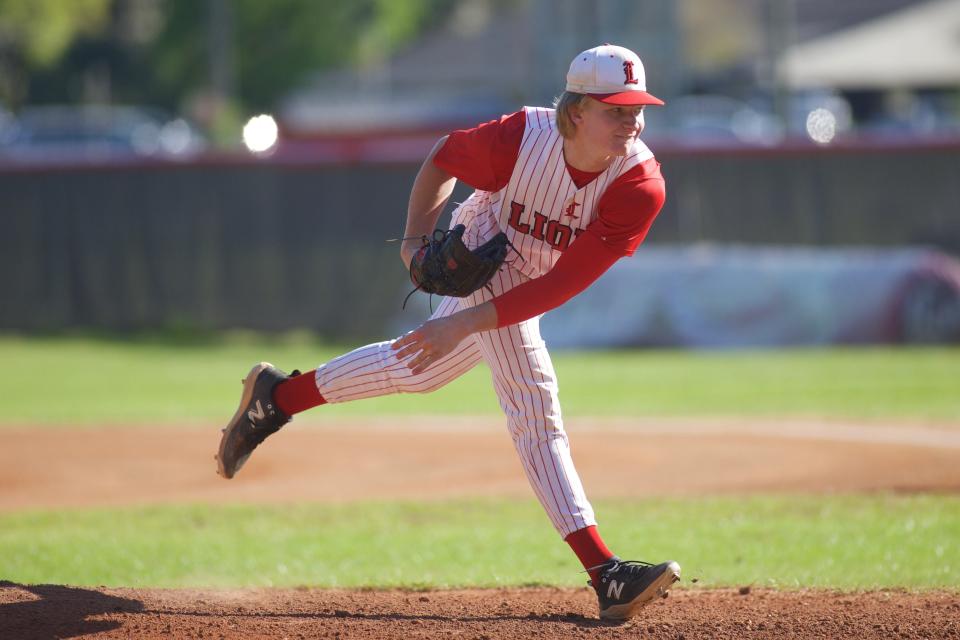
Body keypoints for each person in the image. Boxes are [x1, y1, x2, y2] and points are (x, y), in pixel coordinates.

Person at [215, 43, 679, 622]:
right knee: (534, 405)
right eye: (616, 109)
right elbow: (442, 158)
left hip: (529, 283)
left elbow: (561, 283)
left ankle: (276, 398)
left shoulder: (638, 185)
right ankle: (604, 571)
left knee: (421, 369)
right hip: (483, 250)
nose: (632, 121)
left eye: (638, 108)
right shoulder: (520, 139)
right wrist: (414, 243)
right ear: (577, 110)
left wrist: (463, 325)